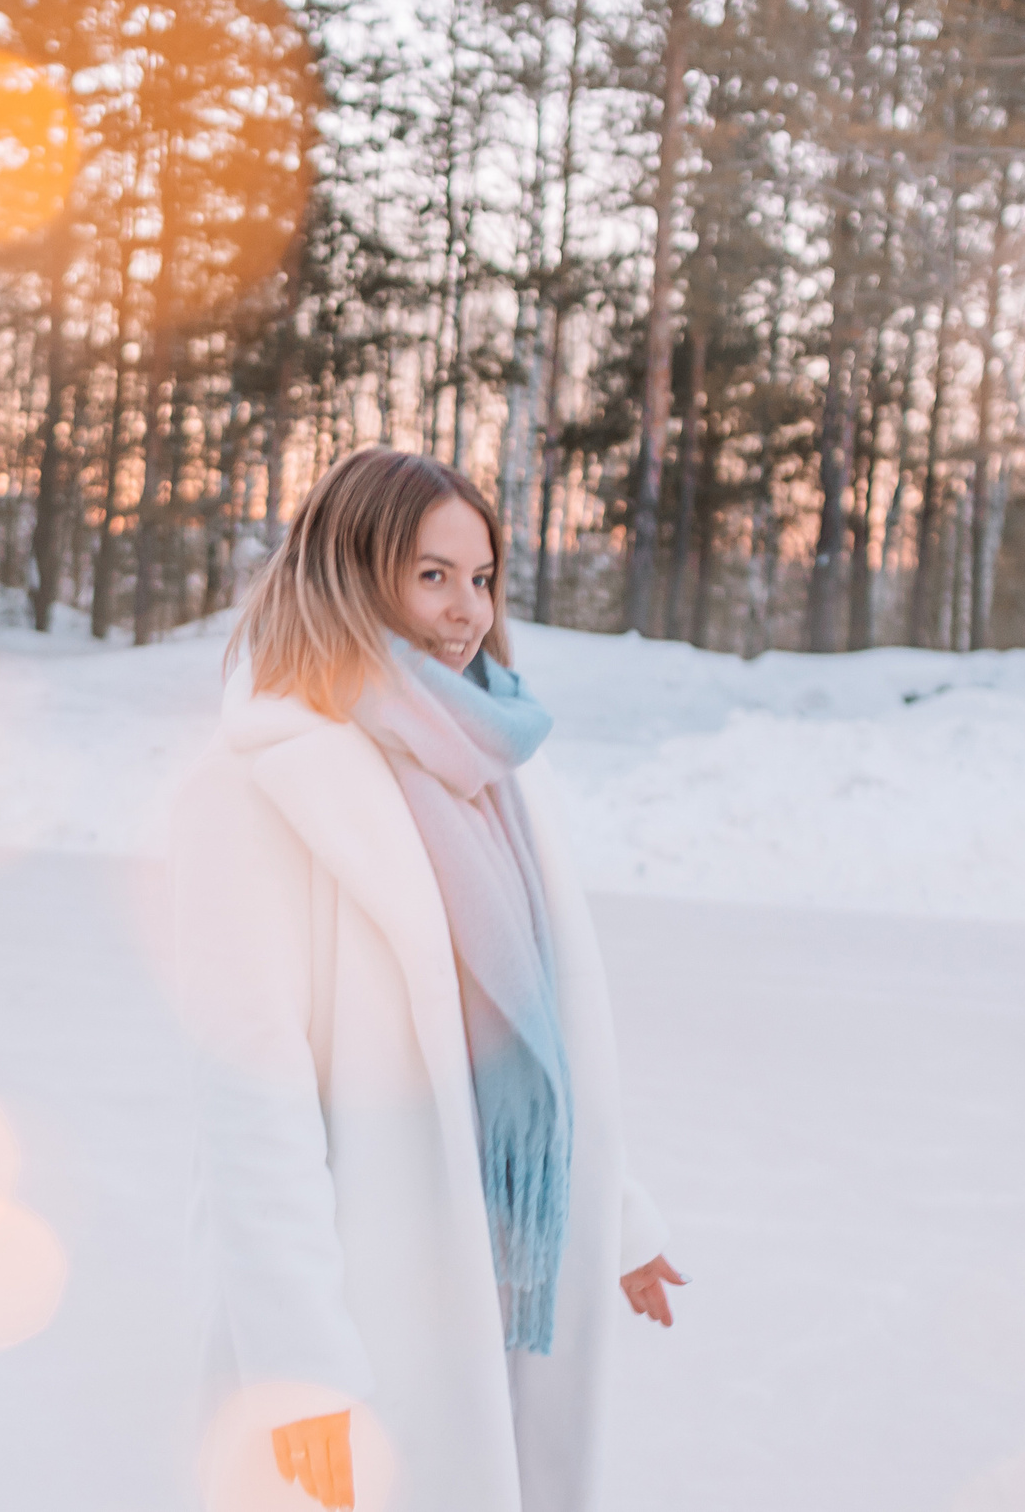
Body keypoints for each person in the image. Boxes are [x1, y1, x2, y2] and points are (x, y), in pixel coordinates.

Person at [170, 446, 683, 1512]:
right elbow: (250, 1103)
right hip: (364, 1287)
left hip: (499, 1272)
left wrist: (612, 1213)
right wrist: (301, 1362)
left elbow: (531, 1024)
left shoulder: (491, 766)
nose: (465, 613)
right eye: (430, 576)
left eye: (482, 578)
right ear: (355, 574)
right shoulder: (261, 782)